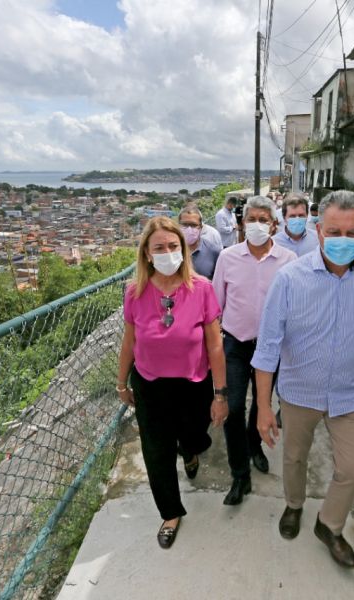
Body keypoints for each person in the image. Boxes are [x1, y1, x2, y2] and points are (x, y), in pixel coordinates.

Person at [254, 190, 354, 568]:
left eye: (353, 232)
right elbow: (267, 350)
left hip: (351, 393)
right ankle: (294, 506)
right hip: (299, 393)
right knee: (294, 458)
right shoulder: (290, 278)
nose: (343, 240)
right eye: (334, 231)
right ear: (319, 230)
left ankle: (329, 524)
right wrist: (264, 408)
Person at [117, 216, 229, 550]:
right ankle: (170, 513)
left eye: (173, 246)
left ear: (183, 249)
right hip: (151, 385)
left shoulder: (202, 289)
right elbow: (129, 342)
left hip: (194, 382)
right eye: (159, 248)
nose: (167, 253)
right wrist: (122, 383)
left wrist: (220, 393)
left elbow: (215, 345)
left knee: (194, 434)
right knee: (156, 451)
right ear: (147, 255)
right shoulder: (134, 292)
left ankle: (190, 451)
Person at [212, 196, 297, 506]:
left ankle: (254, 444)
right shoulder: (228, 257)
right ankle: (239, 475)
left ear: (274, 225)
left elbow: (293, 306)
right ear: (242, 224)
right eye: (252, 219)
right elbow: (216, 305)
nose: (258, 225)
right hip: (235, 344)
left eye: (264, 219)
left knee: (261, 404)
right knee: (233, 407)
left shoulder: (289, 260)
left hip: (271, 348)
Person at [178, 204, 221, 279]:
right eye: (184, 224)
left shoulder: (214, 251)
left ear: (201, 227)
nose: (189, 229)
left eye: (193, 225)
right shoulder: (170, 250)